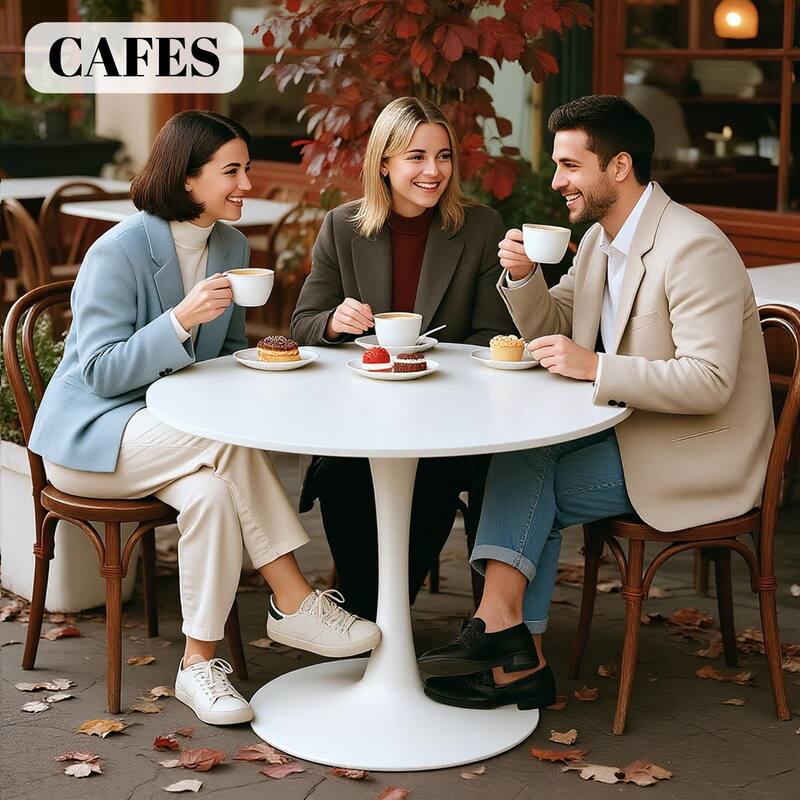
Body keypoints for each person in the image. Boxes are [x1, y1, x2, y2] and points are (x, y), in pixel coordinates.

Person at [418, 95, 774, 710]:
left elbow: (710, 380)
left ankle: (506, 649)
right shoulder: (596, 244)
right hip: (629, 427)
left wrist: (597, 367)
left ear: (619, 167)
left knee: (534, 482)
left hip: (694, 451)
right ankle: (508, 645)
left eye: (569, 166)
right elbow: (556, 321)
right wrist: (527, 279)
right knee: (522, 455)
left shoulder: (693, 248)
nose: (556, 182)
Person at [28, 110, 380, 726]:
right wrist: (179, 321)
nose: (247, 182)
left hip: (173, 441)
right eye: (232, 171)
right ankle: (293, 599)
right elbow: (101, 374)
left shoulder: (230, 245)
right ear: (187, 179)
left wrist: (267, 366)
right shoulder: (117, 251)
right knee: (228, 445)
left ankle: (198, 666)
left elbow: (223, 355)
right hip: (93, 440)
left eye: (245, 168)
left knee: (215, 495)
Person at [290, 96, 516, 620]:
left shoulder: (479, 227)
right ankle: (370, 617)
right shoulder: (343, 225)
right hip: (360, 410)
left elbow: (492, 332)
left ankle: (377, 621)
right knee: (342, 478)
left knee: (431, 482)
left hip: (446, 412)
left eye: (443, 157)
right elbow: (302, 324)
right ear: (385, 162)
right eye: (416, 157)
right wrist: (332, 322)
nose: (432, 171)